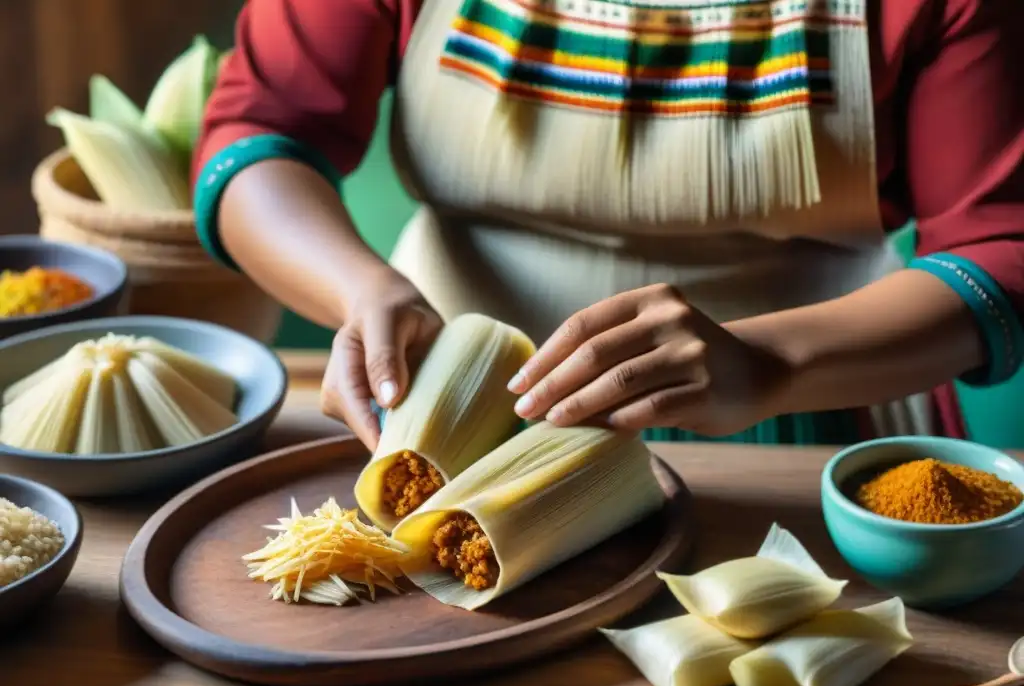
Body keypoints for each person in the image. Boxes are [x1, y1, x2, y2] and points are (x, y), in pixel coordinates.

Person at [193, 0, 1024, 451]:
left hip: (817, 417)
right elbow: (262, 130)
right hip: (442, 415)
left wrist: (767, 363)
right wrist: (361, 290)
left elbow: (1000, 250)